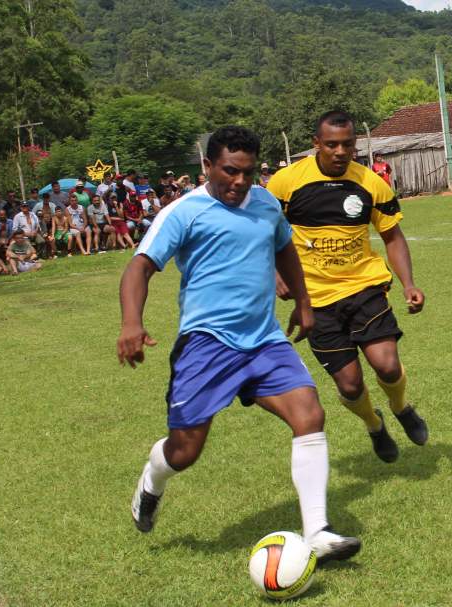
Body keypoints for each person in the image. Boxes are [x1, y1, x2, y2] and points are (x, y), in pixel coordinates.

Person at [118, 125, 360, 562]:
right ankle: (153, 478)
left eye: (248, 173)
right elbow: (139, 267)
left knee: (310, 414)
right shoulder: (183, 212)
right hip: (207, 344)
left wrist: (304, 301)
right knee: (185, 450)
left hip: (264, 340)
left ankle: (318, 531)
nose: (239, 182)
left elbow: (284, 247)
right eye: (230, 171)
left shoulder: (266, 204)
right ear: (207, 166)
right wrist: (131, 323)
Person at [268, 110, 428, 464]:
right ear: (315, 144)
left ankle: (401, 407)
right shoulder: (284, 183)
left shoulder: (370, 183)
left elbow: (392, 236)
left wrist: (408, 284)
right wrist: (274, 272)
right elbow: (263, 232)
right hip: (315, 300)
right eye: (331, 145)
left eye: (348, 144)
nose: (341, 152)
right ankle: (374, 425)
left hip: (364, 287)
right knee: (350, 386)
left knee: (386, 365)